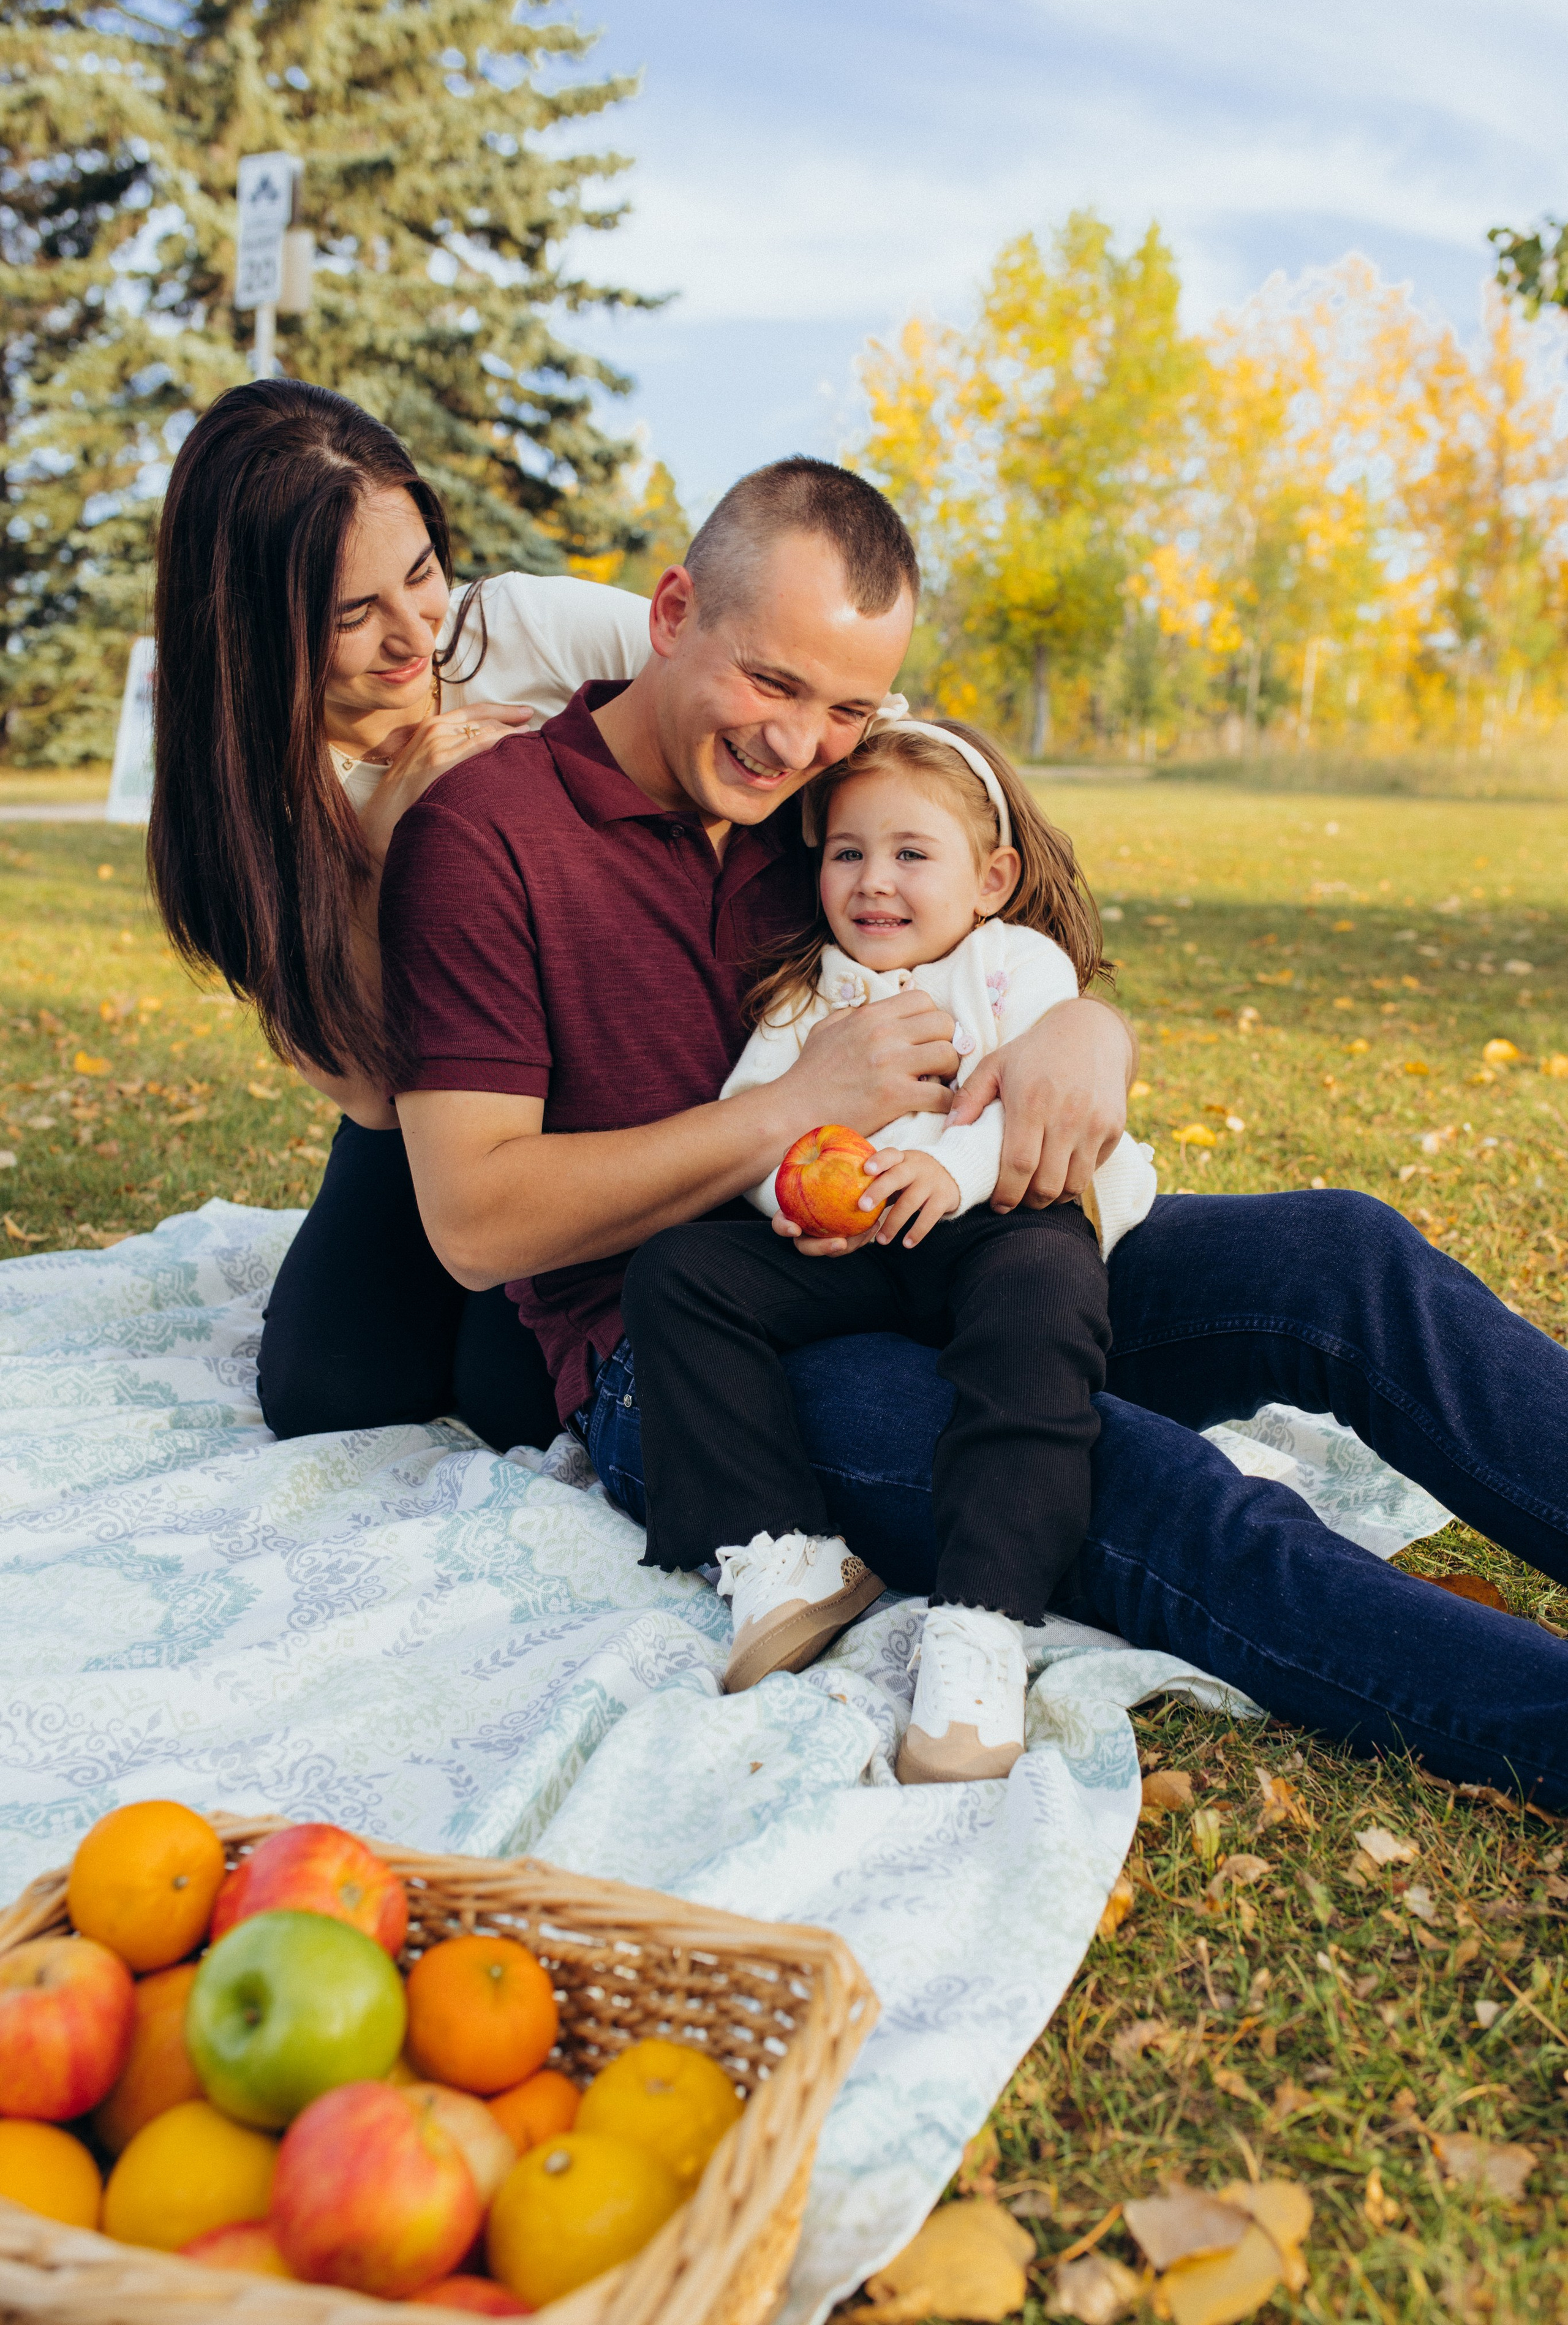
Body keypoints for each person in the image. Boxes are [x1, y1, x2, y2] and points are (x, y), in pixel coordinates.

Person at [381, 453, 1568, 1811]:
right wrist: (787, 1110)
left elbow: (1003, 941)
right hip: (701, 1359)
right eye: (768, 683)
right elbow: (475, 1223)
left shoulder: (821, 801)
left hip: (949, 1238)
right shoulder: (483, 841)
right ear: (668, 616)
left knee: (1340, 1258)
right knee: (1138, 1482)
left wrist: (1086, 1035)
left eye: (844, 706)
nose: (796, 742)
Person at [622, 716, 1157, 1783]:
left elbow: (1037, 1107)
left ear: (991, 876)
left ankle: (984, 1622)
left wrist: (951, 1173)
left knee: (1045, 1291)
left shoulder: (1014, 968)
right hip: (861, 1246)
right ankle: (784, 1552)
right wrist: (798, 1198)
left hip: (1000, 1215)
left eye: (913, 855)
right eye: (848, 853)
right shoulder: (805, 995)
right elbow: (750, 1127)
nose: (875, 882)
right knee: (678, 1275)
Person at [146, 379, 649, 1446]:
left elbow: (801, 703)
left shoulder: (524, 634)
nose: (412, 631)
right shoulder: (245, 803)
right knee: (328, 1391)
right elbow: (373, 1094)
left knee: (520, 1398)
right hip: (433, 1103)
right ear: (253, 628)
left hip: (616, 1073)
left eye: (420, 571)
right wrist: (389, 845)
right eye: (350, 614)